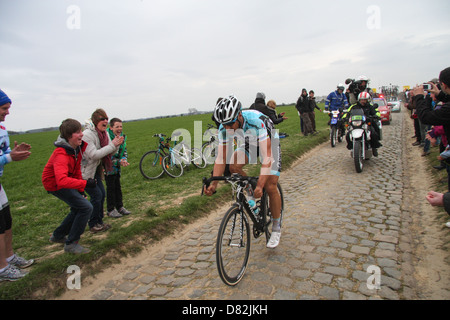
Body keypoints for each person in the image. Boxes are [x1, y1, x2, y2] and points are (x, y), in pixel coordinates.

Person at [204, 95, 283, 248]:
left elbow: (267, 157)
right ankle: (251, 194)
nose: (228, 129)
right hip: (250, 142)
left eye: (230, 124)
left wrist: (260, 184)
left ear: (239, 115)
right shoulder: (225, 127)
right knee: (233, 166)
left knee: (270, 185)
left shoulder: (255, 121)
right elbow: (221, 157)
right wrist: (214, 184)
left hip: (269, 140)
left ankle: (276, 227)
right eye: (224, 125)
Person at [42, 119, 96, 254]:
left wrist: (80, 190)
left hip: (65, 182)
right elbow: (61, 180)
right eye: (77, 132)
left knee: (79, 206)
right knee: (85, 207)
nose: (82, 134)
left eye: (81, 130)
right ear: (68, 136)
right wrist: (85, 183)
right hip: (54, 184)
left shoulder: (74, 149)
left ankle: (58, 235)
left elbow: (77, 170)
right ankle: (72, 243)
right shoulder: (61, 153)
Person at [0, 89, 34, 281]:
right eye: (4, 108)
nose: (7, 112)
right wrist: (8, 157)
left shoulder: (2, 129)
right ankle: (2, 269)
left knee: (6, 221)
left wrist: (12, 152)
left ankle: (9, 257)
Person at [82, 109, 123, 233]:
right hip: (85, 172)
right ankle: (93, 224)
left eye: (106, 118)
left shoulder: (104, 134)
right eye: (102, 119)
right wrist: (112, 145)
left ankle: (99, 221)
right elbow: (93, 154)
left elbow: (110, 151)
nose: (105, 121)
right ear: (95, 121)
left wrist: (117, 145)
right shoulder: (87, 135)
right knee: (96, 195)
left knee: (101, 194)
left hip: (95, 170)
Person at [342, 92, 382, 156]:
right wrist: (345, 118)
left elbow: (376, 112)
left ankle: (374, 147)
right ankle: (351, 146)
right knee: (348, 135)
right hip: (356, 123)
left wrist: (376, 116)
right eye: (361, 99)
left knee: (373, 133)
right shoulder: (354, 106)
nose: (363, 101)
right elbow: (348, 113)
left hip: (366, 123)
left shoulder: (370, 106)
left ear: (367, 100)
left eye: (364, 99)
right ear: (359, 99)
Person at [105, 118, 131, 218]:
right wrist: (118, 161)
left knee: (117, 187)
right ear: (111, 128)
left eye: (121, 126)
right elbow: (106, 155)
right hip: (108, 167)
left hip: (117, 167)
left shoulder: (122, 137)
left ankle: (120, 207)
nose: (119, 128)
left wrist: (124, 159)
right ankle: (111, 209)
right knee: (110, 188)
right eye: (117, 126)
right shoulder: (107, 139)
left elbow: (124, 150)